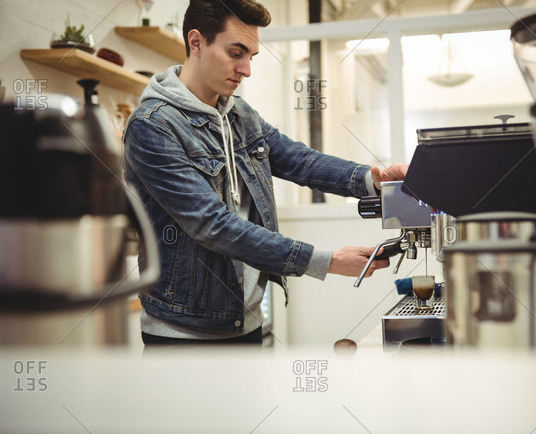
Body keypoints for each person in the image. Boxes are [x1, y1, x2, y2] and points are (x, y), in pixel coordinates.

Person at [123, 0, 408, 346]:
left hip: (246, 319)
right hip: (185, 333)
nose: (246, 69)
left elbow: (301, 161)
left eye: (251, 57)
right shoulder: (153, 127)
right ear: (196, 43)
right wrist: (326, 261)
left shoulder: (240, 115)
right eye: (236, 52)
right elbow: (213, 225)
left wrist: (374, 178)